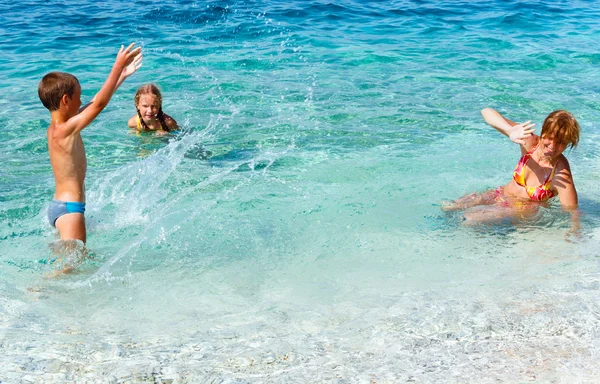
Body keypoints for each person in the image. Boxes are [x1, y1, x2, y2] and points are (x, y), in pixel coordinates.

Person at [39, 43, 143, 244]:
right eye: (79, 97)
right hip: (71, 210)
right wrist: (116, 66)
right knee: (71, 268)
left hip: (60, 207)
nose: (81, 102)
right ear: (66, 100)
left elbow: (96, 101)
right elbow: (99, 104)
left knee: (70, 263)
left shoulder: (56, 128)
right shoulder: (66, 130)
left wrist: (122, 76)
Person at [443, 108, 580, 225]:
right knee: (449, 207)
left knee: (468, 219)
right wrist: (510, 130)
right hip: (500, 194)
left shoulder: (561, 174)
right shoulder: (530, 142)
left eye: (561, 142)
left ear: (569, 143)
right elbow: (486, 112)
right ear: (543, 132)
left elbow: (572, 213)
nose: (553, 146)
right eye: (549, 138)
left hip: (518, 210)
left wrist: (573, 241)